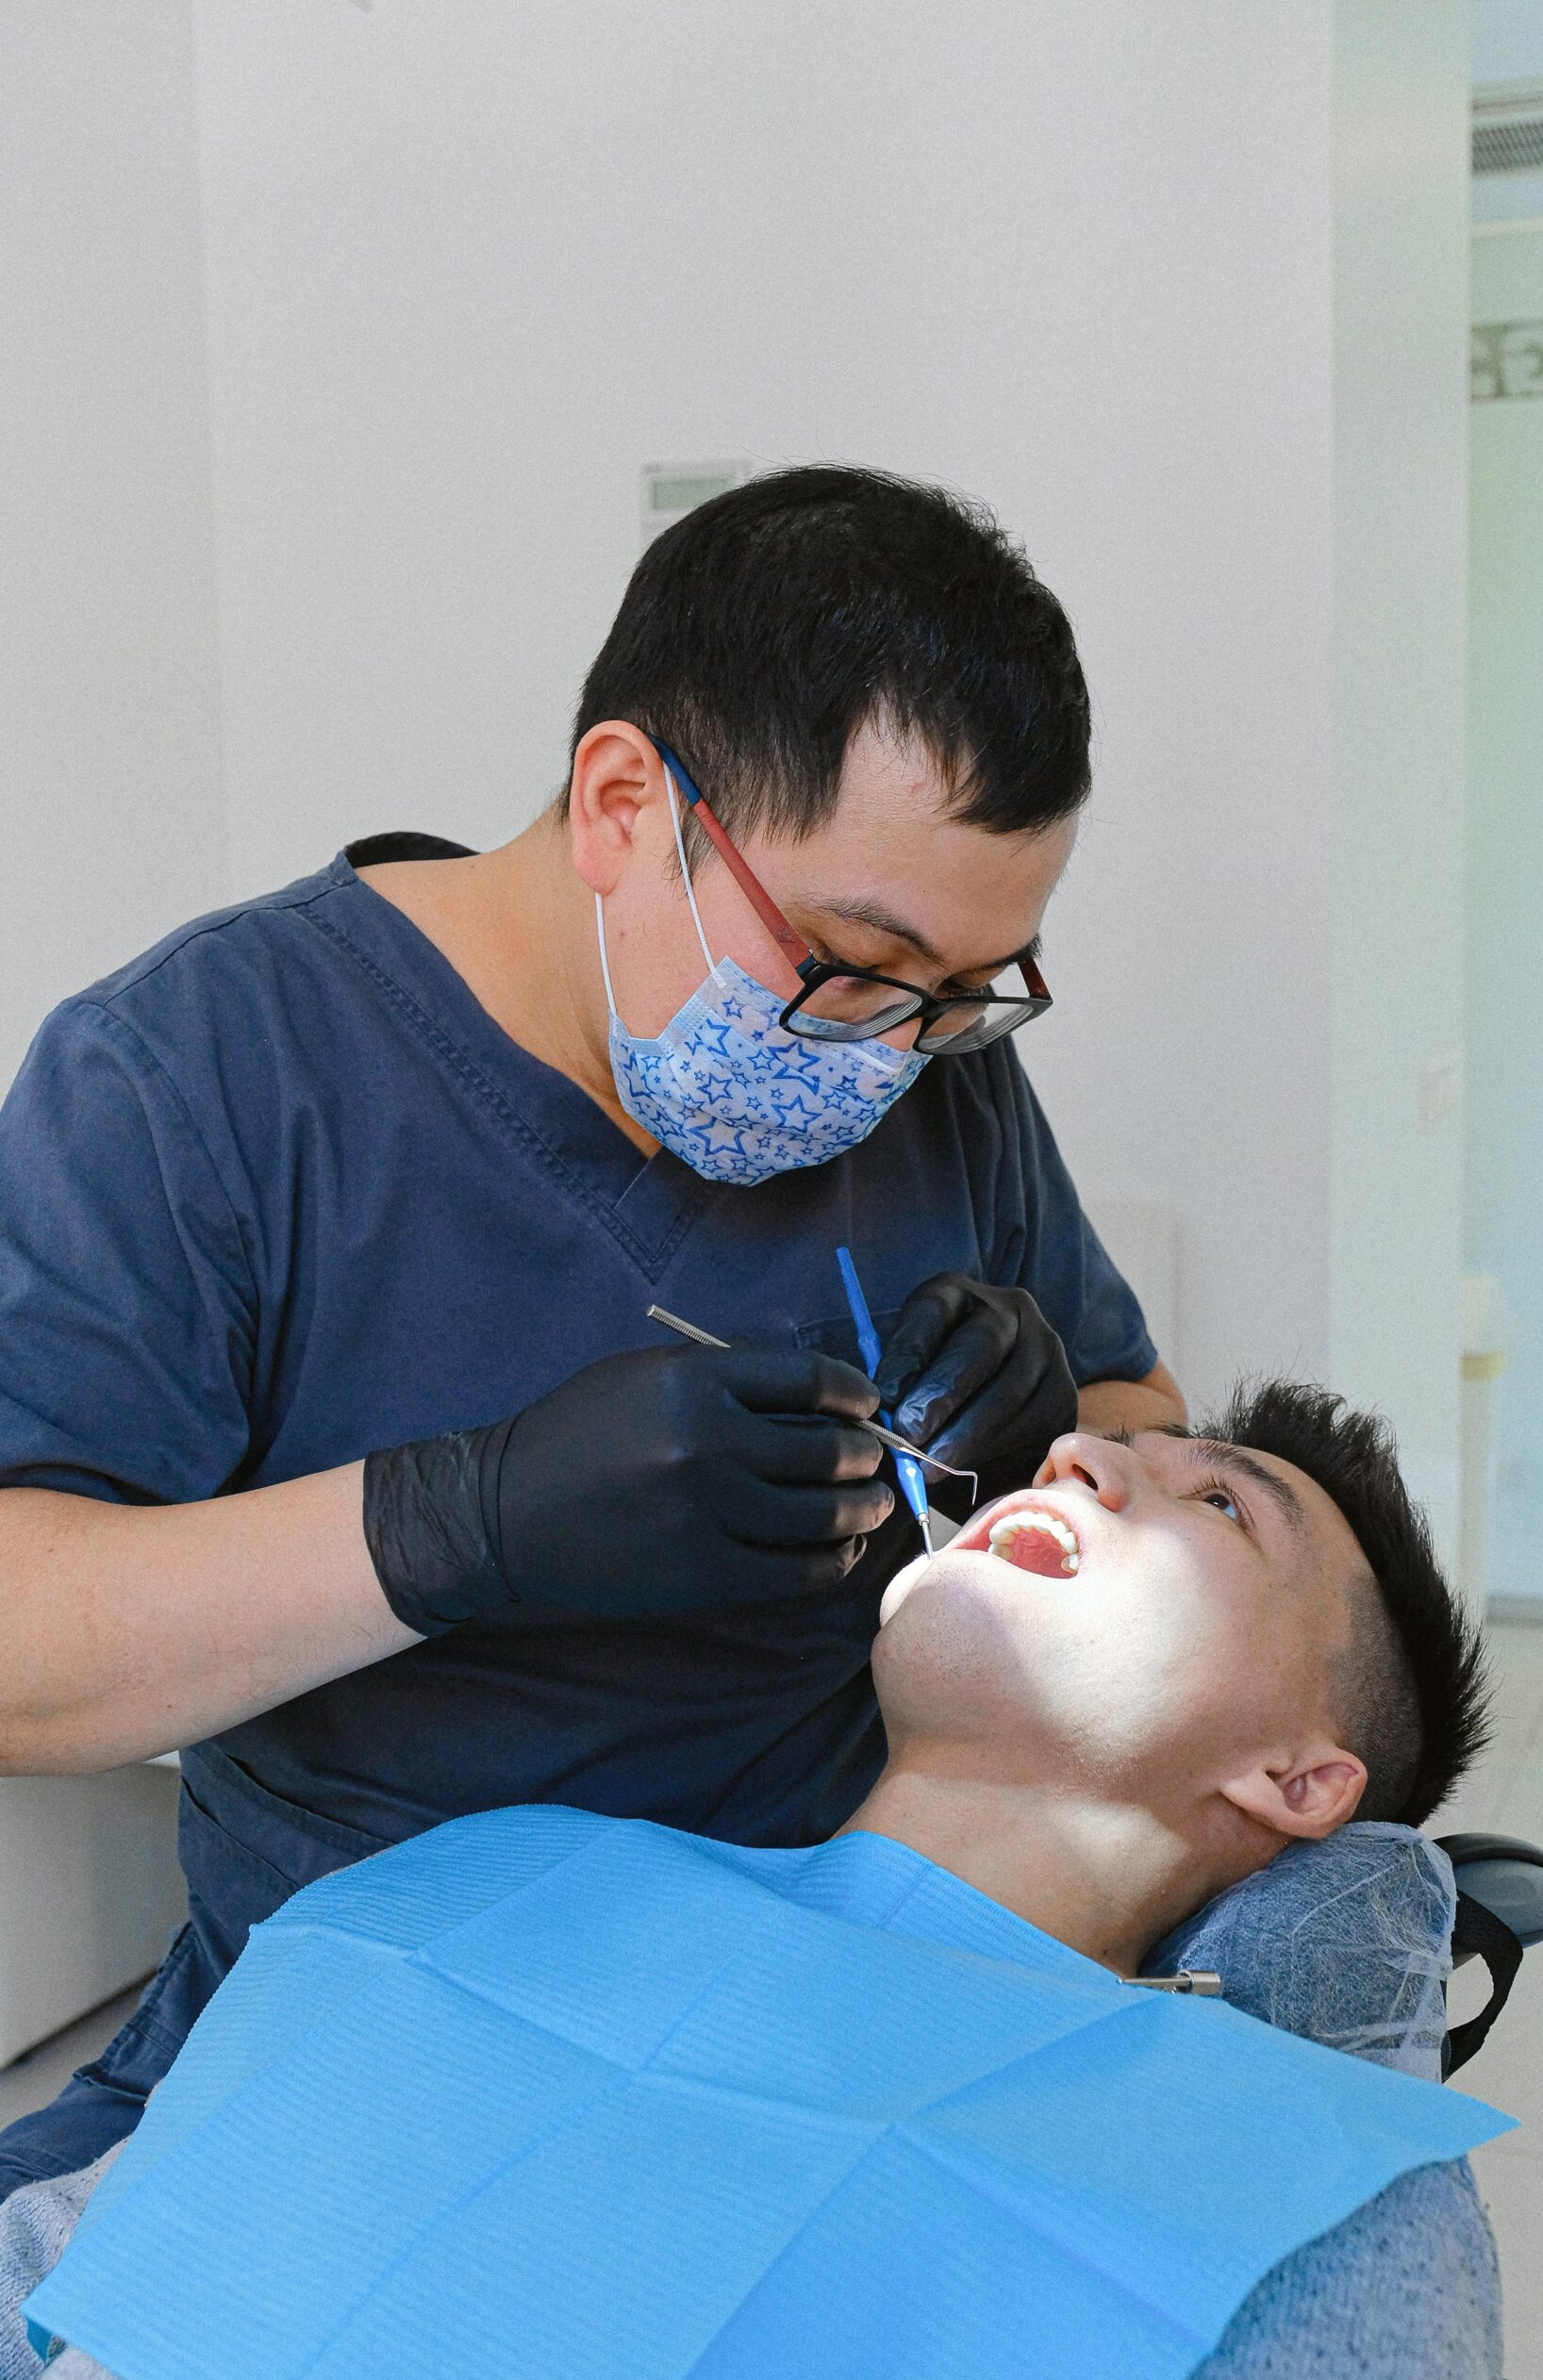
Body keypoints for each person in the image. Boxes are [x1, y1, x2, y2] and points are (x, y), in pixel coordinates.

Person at [0, 467, 1186, 2197]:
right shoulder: (198, 1078)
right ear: (626, 800)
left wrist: (1058, 1420)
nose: (892, 1052)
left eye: (964, 995)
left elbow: (1146, 1416)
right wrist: (456, 1521)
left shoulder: (937, 1071)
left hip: (827, 2016)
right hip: (360, 2050)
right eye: (851, 962)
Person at [2, 1384, 1502, 2380]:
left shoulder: (1304, 2196)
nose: (1078, 1459)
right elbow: (68, 2264)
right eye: (1108, 1448)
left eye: (1224, 1506)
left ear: (1303, 1783)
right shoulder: (492, 1884)